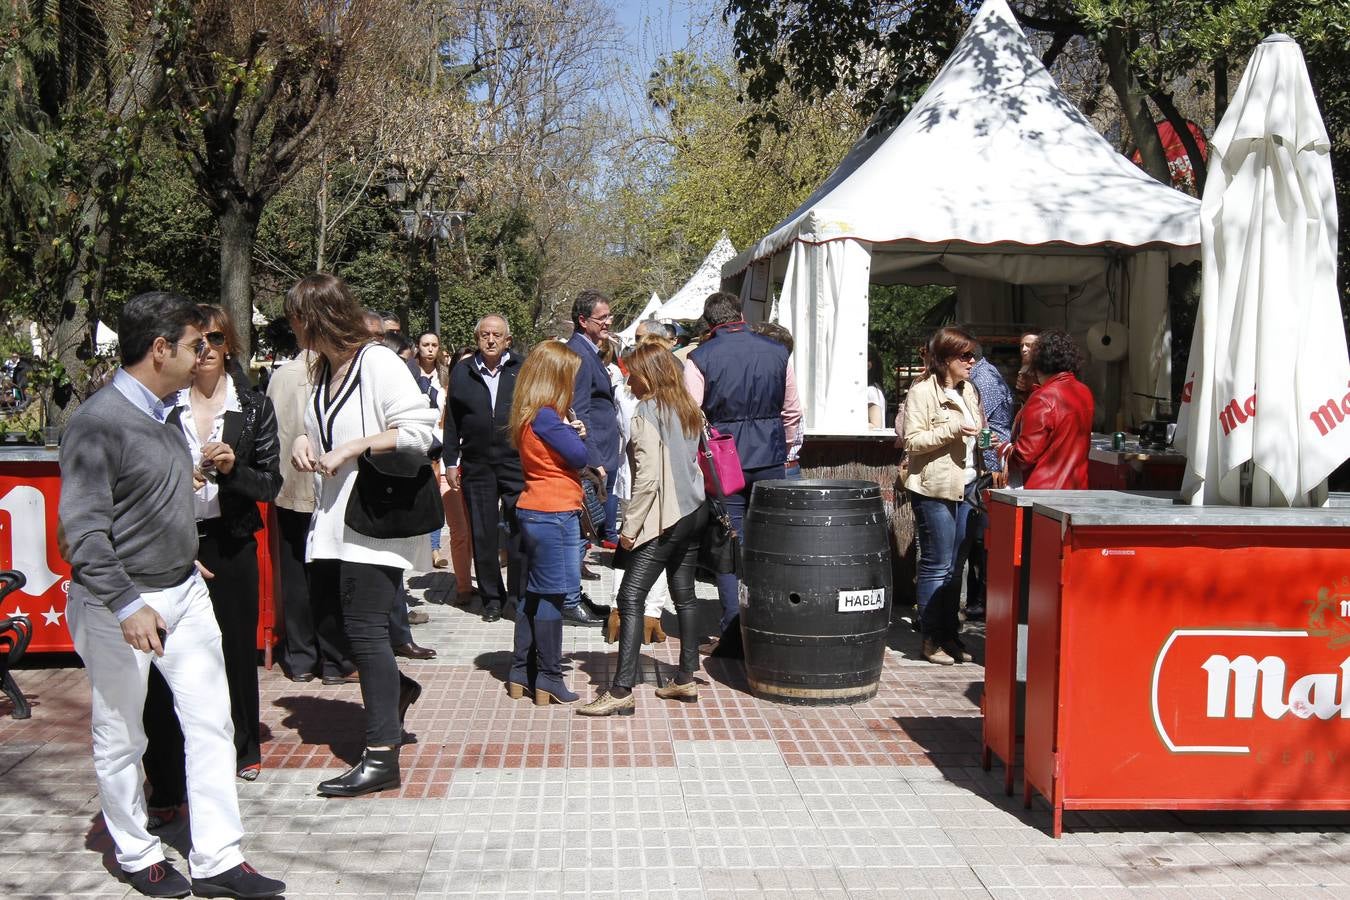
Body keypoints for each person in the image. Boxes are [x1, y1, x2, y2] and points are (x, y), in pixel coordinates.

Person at [59, 291, 284, 898]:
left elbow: (155, 501)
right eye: (194, 344)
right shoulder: (98, 422)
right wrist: (128, 603)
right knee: (123, 734)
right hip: (121, 607)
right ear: (160, 350)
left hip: (185, 593)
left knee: (212, 725)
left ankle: (218, 859)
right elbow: (81, 532)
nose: (204, 353)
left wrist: (183, 555)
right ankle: (134, 850)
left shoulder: (165, 414)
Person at [287, 273, 439, 797]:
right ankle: (395, 693)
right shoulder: (325, 367)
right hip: (336, 519)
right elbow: (317, 424)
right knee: (348, 626)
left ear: (315, 317)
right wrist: (305, 442)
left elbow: (422, 430)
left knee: (366, 630)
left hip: (375, 518)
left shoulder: (376, 362)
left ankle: (381, 755)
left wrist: (353, 447)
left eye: (296, 319)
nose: (292, 329)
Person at [140, 303, 283, 837]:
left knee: (234, 651)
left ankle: (244, 743)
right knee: (164, 660)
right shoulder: (161, 405)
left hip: (230, 541)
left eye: (216, 340)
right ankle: (168, 777)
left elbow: (269, 484)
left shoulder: (252, 405)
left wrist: (231, 469)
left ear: (230, 347)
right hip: (170, 547)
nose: (205, 351)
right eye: (196, 341)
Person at [578, 344, 709, 716]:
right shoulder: (688, 408)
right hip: (695, 510)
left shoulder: (646, 413)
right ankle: (685, 675)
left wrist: (628, 529)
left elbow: (648, 480)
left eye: (633, 372)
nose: (628, 379)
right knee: (684, 594)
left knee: (630, 597)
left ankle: (621, 689)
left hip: (665, 517)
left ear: (648, 374)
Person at [684, 291, 803, 647]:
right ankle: (766, 626)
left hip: (725, 460)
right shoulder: (778, 353)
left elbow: (691, 414)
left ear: (710, 322)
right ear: (740, 314)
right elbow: (792, 410)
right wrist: (782, 445)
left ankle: (735, 631)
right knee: (766, 542)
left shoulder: (700, 357)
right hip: (770, 457)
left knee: (729, 542)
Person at [268, 344, 357, 684]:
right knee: (328, 579)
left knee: (296, 579)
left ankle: (301, 658)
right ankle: (334, 659)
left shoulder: (280, 376)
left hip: (291, 489)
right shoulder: (331, 373)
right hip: (325, 492)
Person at [507, 341, 588, 705]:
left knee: (533, 594)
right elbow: (579, 456)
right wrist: (575, 432)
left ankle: (520, 673)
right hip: (553, 512)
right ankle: (549, 678)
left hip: (535, 509)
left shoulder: (530, 414)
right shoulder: (547, 417)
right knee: (551, 597)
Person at [903, 326, 984, 667]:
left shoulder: (969, 390)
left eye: (972, 355)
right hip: (934, 488)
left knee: (956, 567)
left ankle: (949, 634)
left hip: (966, 486)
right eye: (965, 356)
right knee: (937, 566)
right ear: (946, 358)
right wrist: (951, 429)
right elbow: (913, 441)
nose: (972, 361)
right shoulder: (922, 391)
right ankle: (931, 637)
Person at [443, 315, 526, 622]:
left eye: (497, 335)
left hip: (515, 462)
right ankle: (492, 598)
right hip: (476, 463)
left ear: (508, 340)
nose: (490, 340)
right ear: (477, 338)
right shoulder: (463, 371)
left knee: (519, 531)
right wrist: (451, 461)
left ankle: (517, 598)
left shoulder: (522, 368)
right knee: (483, 532)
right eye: (485, 335)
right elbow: (452, 420)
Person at [563, 289, 619, 626]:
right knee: (580, 530)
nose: (609, 322)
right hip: (590, 459)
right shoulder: (580, 355)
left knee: (583, 534)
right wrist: (594, 460)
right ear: (583, 321)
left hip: (601, 454)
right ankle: (570, 600)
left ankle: (574, 595)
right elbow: (579, 412)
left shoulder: (590, 350)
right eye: (603, 318)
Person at [1000, 329, 1093, 490]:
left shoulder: (1043, 398)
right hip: (1075, 488)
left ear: (1038, 361)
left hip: (1043, 492)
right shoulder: (1084, 391)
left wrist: (1004, 449)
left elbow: (1024, 456)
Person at [963, 345, 1015, 622]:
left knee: (980, 540)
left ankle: (979, 601)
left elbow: (989, 430)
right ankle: (977, 600)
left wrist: (991, 464)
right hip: (987, 468)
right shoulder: (985, 375)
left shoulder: (981, 380)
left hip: (986, 471)